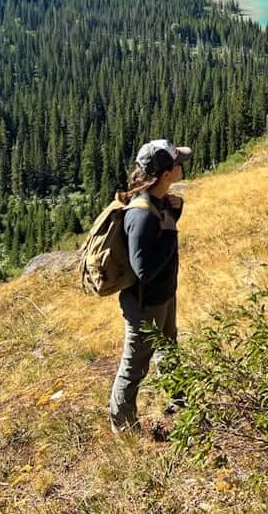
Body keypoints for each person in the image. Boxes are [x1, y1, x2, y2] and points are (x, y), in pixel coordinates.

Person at [109, 139, 192, 434]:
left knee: (169, 349)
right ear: (167, 173)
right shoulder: (141, 214)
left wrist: (174, 213)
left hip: (162, 296)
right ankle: (124, 429)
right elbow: (143, 269)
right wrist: (170, 230)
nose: (183, 164)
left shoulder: (157, 201)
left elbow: (158, 242)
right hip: (145, 304)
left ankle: (181, 404)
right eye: (178, 161)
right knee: (133, 368)